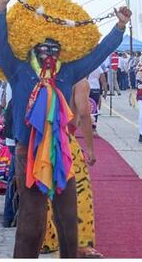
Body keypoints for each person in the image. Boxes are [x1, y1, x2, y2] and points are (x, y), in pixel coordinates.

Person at [0, 0, 127, 258]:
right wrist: (0, 10)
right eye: (43, 48)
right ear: (32, 48)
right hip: (29, 151)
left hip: (61, 151)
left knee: (68, 215)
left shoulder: (68, 72)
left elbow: (99, 54)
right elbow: (0, 43)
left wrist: (120, 26)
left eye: (54, 49)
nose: (49, 53)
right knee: (32, 219)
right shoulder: (19, 70)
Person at [42, 78, 101, 258]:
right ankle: (82, 243)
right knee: (80, 192)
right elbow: (83, 114)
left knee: (44, 189)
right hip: (66, 141)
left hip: (43, 141)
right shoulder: (79, 80)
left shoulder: (45, 75)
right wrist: (90, 148)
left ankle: (45, 239)